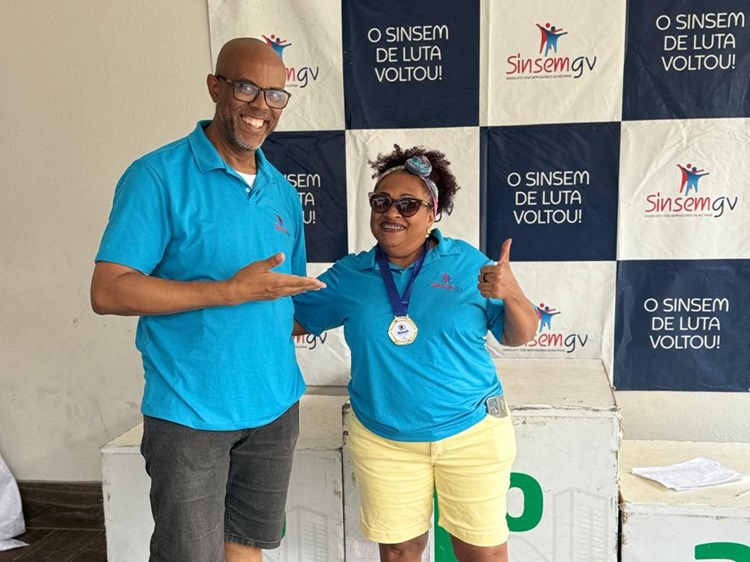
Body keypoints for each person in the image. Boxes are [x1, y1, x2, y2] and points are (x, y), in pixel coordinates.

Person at [90, 38, 324, 562]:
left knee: (247, 550)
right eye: (246, 88)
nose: (261, 105)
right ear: (215, 87)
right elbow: (107, 290)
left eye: (276, 94)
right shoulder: (157, 176)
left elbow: (284, 301)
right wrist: (226, 292)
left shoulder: (282, 192)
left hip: (274, 406)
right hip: (190, 413)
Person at [293, 145, 538, 562]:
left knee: (483, 553)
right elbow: (291, 321)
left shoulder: (466, 263)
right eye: (382, 202)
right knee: (400, 552)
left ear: (432, 214)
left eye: (408, 204)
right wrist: (227, 298)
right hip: (385, 440)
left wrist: (511, 293)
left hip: (472, 431)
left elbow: (520, 334)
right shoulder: (352, 275)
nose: (392, 213)